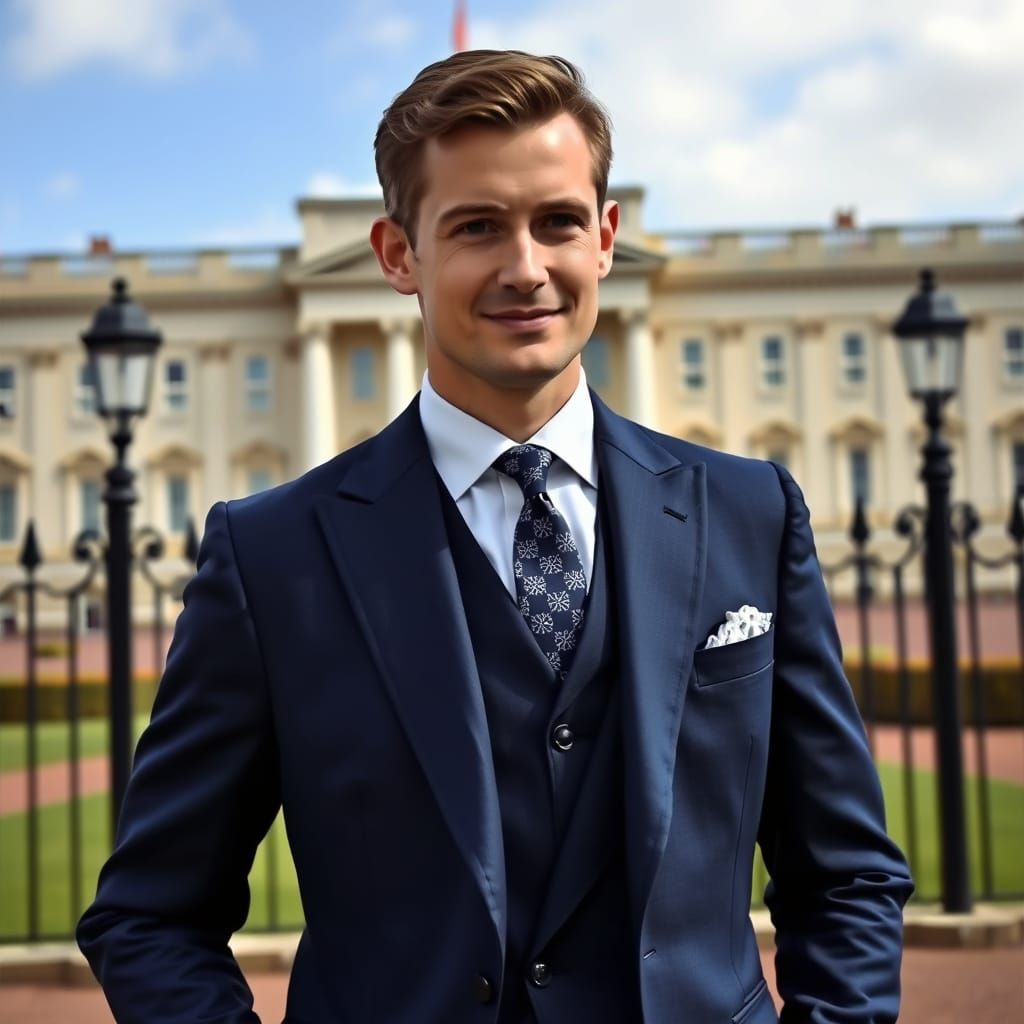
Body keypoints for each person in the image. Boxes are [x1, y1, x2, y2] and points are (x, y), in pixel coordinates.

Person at [78, 50, 913, 1023]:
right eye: (477, 226)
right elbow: (151, 914)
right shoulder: (272, 557)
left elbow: (845, 873)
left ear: (605, 239)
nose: (526, 269)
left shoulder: (750, 513)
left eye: (558, 222)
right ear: (398, 255)